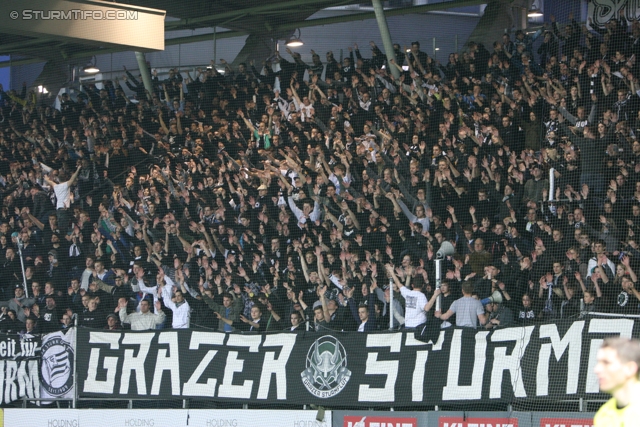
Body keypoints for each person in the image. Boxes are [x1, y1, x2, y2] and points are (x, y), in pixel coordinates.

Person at [594, 337, 640, 426]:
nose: (597, 369)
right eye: (598, 362)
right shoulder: (603, 414)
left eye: (606, 363)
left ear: (630, 368)